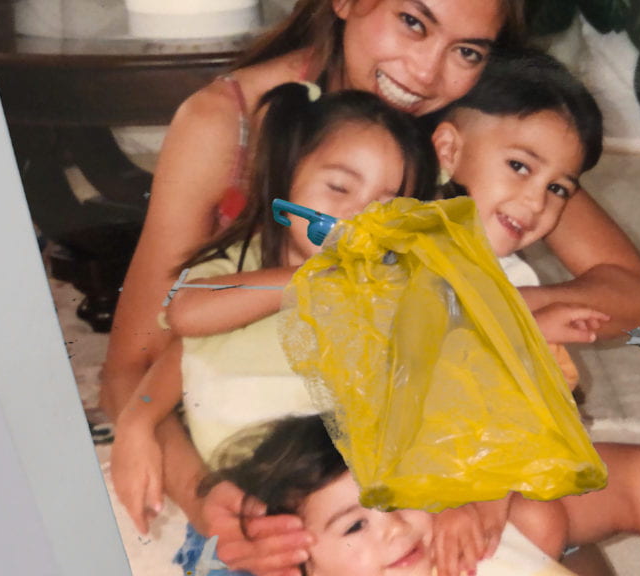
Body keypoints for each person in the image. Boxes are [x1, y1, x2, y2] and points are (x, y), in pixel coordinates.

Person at [102, 0, 640, 572]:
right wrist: (205, 498)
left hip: (424, 457)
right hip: (285, 480)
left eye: (467, 50)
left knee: (547, 538)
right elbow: (137, 361)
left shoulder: (469, 116)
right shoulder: (234, 122)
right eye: (413, 22)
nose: (425, 73)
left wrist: (477, 310)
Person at [420, 49, 640, 576]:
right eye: (519, 168)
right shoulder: (406, 251)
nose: (536, 203)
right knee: (540, 524)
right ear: (447, 148)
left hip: (518, 462)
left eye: (558, 188)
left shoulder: (509, 271)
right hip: (440, 482)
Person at [109, 81, 439, 540]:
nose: (356, 218)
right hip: (249, 498)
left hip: (349, 497)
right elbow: (185, 323)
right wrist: (139, 420)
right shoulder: (239, 269)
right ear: (285, 181)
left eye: (386, 208)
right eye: (339, 187)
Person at [179, 414, 577, 576]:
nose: (397, 527)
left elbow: (543, 509)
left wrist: (475, 497)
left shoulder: (474, 549)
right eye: (355, 525)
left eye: (399, 496)